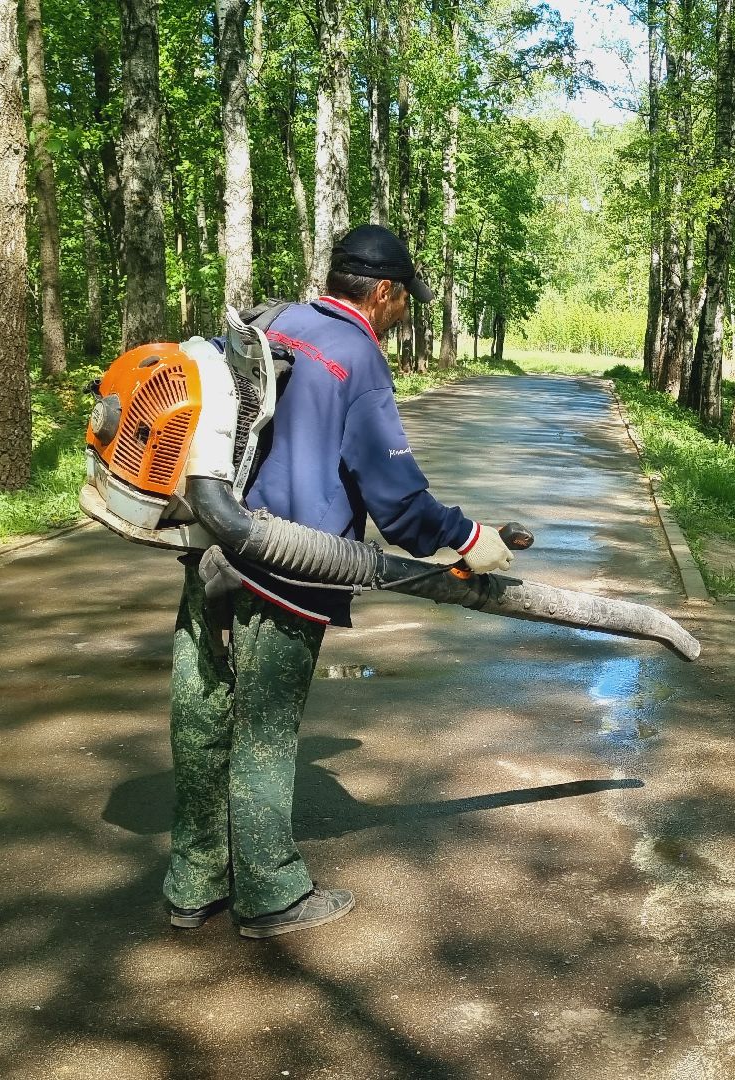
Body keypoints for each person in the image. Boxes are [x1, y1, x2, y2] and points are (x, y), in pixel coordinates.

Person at [163, 224, 516, 939]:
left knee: (201, 713)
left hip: (213, 549)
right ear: (383, 292)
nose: (403, 313)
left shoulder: (280, 320)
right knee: (265, 732)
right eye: (404, 300)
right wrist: (468, 539)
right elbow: (396, 496)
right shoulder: (359, 356)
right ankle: (268, 894)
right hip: (289, 573)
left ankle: (193, 881)